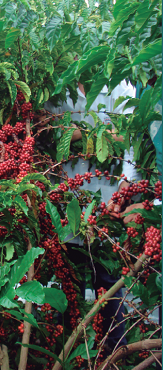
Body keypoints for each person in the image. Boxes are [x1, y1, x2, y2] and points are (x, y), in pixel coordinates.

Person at [38, 80, 139, 352]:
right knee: (65, 294)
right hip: (64, 212)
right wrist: (104, 135)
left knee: (109, 292)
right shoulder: (57, 90)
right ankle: (61, 357)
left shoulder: (122, 88)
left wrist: (123, 188)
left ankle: (116, 358)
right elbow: (47, 134)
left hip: (107, 212)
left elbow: (132, 142)